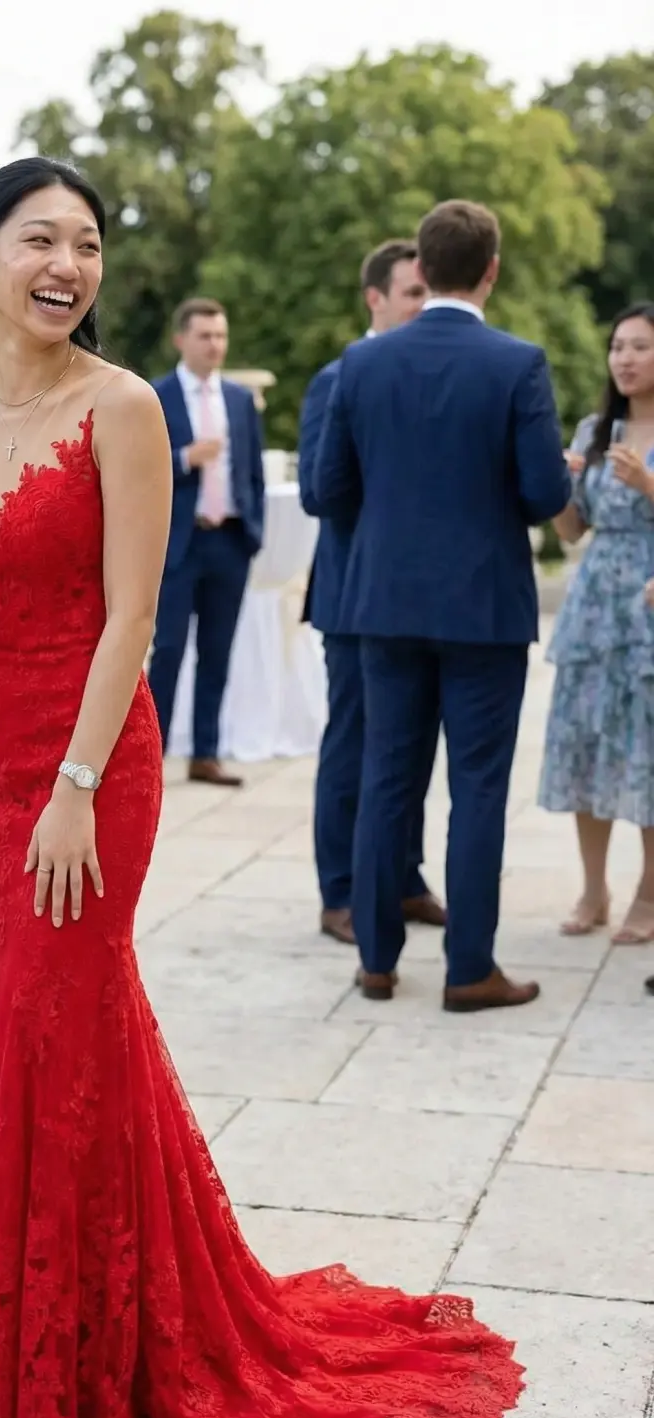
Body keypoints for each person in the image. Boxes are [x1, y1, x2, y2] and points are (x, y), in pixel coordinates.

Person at [0, 159, 524, 1418]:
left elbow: (133, 617)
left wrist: (70, 786)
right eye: (41, 239)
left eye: (90, 244)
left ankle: (95, 1342)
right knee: (2, 1012)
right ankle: (11, 1317)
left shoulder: (120, 408)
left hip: (89, 760)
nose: (70, 264)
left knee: (68, 1002)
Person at [314, 199, 570, 1012]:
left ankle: (378, 963)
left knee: (387, 778)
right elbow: (543, 496)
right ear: (491, 270)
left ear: (420, 269)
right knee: (479, 789)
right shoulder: (518, 363)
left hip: (381, 604)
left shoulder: (362, 364)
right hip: (483, 606)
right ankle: (469, 970)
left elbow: (326, 491)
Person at [299, 239, 445, 945]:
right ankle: (341, 893)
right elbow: (316, 493)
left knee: (414, 747)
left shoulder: (428, 377)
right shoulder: (338, 379)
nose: (423, 305)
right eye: (412, 293)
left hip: (421, 599)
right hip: (356, 598)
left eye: (429, 293)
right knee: (356, 744)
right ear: (376, 299)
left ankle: (403, 877)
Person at [541, 303, 654, 942]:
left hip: (648, 602)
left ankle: (649, 892)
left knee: (645, 752)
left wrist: (648, 485)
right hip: (594, 604)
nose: (626, 359)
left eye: (639, 347)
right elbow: (572, 529)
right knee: (585, 748)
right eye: (618, 348)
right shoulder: (595, 428)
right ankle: (593, 889)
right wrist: (560, 485)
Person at [146, 299, 265, 786]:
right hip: (178, 543)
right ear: (181, 340)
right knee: (168, 649)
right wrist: (183, 458)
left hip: (230, 542)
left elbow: (252, 470)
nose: (214, 344)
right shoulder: (156, 397)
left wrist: (253, 532)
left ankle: (206, 753)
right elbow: (138, 469)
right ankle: (149, 756)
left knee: (218, 651)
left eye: (220, 335)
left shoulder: (238, 399)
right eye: (204, 336)